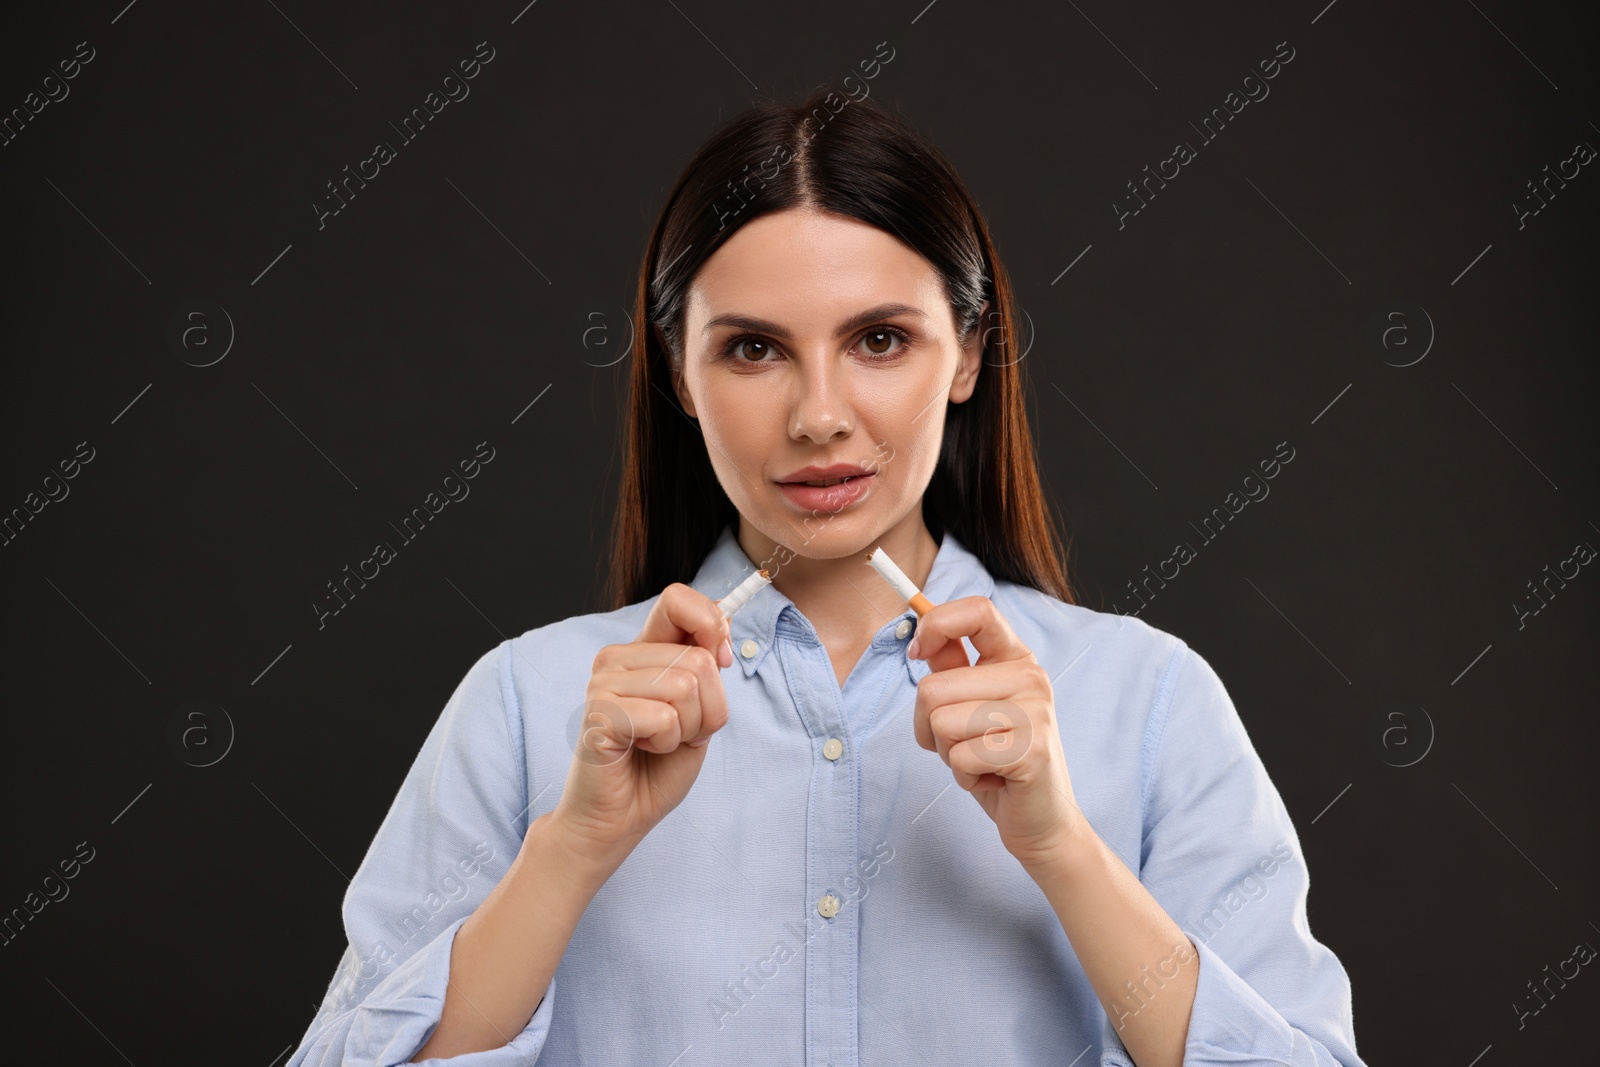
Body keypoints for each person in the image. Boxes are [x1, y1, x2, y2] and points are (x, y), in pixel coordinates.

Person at [286, 87, 1367, 1067]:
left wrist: (1060, 846)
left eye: (880, 339)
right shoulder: (528, 706)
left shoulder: (1147, 701)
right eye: (754, 349)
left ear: (970, 351)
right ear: (678, 370)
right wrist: (569, 848)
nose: (818, 415)